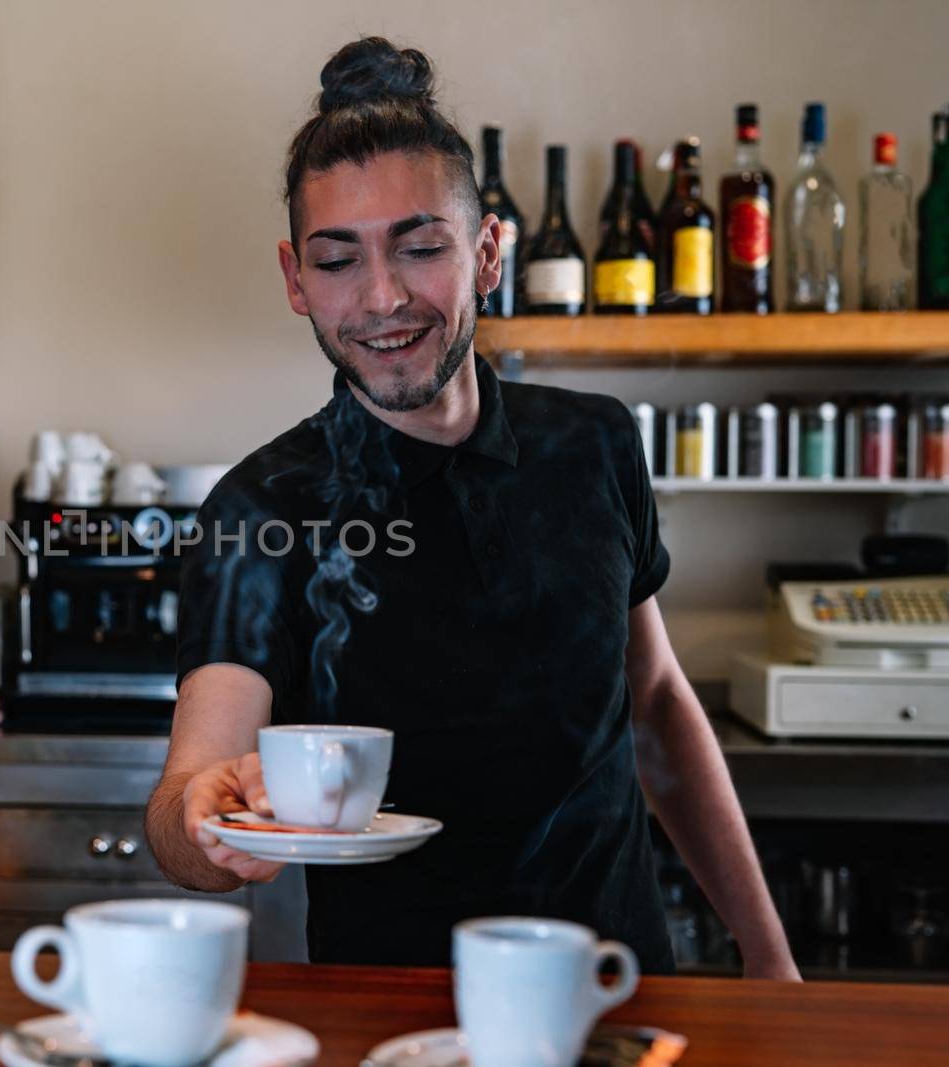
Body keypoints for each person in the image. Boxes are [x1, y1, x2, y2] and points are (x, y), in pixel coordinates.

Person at [143, 36, 800, 980]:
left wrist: (771, 961)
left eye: (420, 247)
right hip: (391, 1012)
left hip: (621, 989)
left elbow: (655, 703)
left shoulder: (596, 444)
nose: (382, 298)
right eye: (338, 262)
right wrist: (202, 819)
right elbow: (182, 796)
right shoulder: (259, 508)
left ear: (488, 252)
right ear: (295, 279)